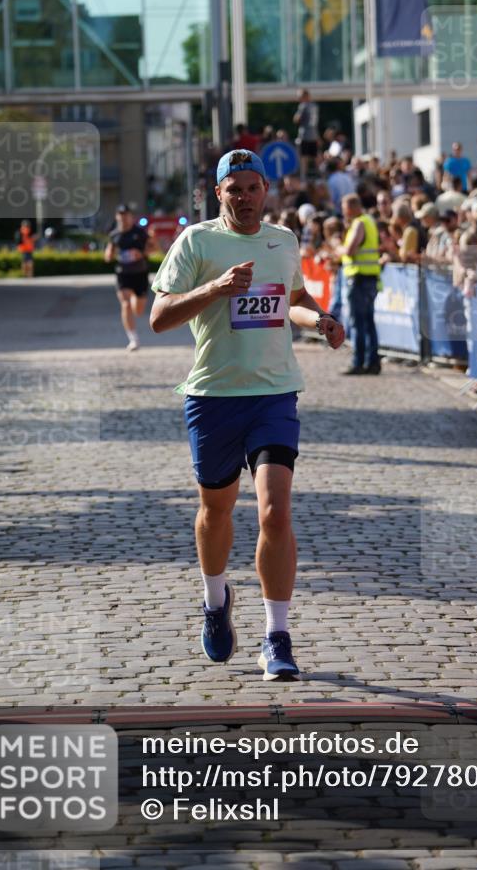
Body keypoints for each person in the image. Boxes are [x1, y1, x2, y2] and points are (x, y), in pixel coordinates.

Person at [149, 149, 345, 681]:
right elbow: (160, 317)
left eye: (252, 187)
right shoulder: (196, 241)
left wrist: (320, 321)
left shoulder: (283, 240)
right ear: (218, 194)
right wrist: (216, 288)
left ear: (266, 190)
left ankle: (276, 637)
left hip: (274, 393)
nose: (244, 197)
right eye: (233, 188)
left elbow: (293, 299)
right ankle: (215, 601)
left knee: (274, 512)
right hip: (212, 397)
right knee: (215, 512)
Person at [339, 193, 381, 375]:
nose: (344, 213)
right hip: (370, 278)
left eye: (345, 208)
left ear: (352, 207)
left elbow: (350, 250)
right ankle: (372, 363)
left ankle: (359, 362)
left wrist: (337, 249)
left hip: (359, 279)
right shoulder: (369, 221)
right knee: (369, 322)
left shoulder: (359, 223)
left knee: (358, 323)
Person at [104, 203, 155, 351]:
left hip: (140, 273)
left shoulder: (140, 233)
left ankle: (135, 299)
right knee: (125, 304)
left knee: (138, 310)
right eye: (121, 215)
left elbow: (153, 248)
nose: (123, 218)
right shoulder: (114, 235)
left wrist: (141, 253)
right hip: (123, 274)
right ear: (117, 217)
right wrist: (109, 254)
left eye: (126, 215)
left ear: (131, 217)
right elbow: (108, 255)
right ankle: (133, 339)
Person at [292, 90, 320, 179]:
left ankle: (303, 176)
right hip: (314, 134)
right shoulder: (314, 106)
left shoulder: (303, 106)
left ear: (305, 96)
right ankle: (320, 175)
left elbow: (297, 119)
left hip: (305, 134)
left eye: (299, 96)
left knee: (304, 157)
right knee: (315, 156)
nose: (298, 99)